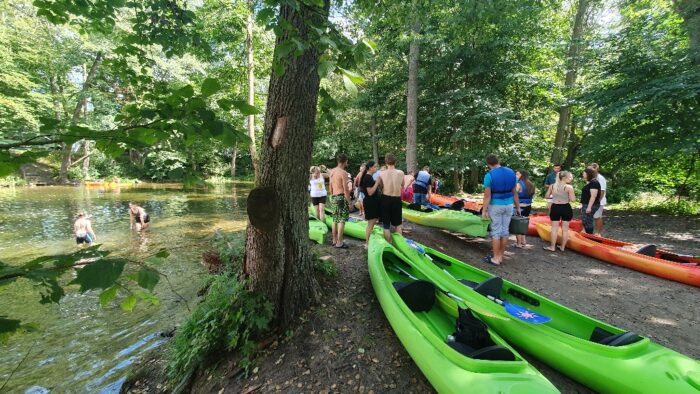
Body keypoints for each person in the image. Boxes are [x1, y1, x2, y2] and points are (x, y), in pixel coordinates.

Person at [481, 154, 520, 266]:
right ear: (498, 161)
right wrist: (518, 207)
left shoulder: (489, 175)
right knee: (505, 230)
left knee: (496, 231)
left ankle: (496, 258)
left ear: (488, 164)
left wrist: (484, 210)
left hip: (496, 206)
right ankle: (500, 256)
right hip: (509, 205)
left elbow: (487, 196)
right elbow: (514, 192)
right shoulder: (511, 172)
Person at [543, 171, 575, 252]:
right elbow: (573, 199)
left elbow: (546, 196)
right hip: (566, 208)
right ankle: (562, 247)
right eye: (570, 177)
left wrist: (554, 196)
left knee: (554, 229)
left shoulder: (552, 186)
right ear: (564, 178)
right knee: (565, 229)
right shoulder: (569, 187)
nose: (571, 179)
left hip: (555, 207)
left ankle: (552, 247)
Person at [378, 153, 405, 244]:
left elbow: (381, 186)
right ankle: (401, 245)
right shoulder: (401, 173)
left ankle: (389, 243)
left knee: (386, 225)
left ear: (386, 162)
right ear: (395, 162)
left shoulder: (381, 173)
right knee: (398, 225)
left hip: (385, 199)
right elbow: (403, 185)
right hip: (397, 199)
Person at [329, 154, 352, 248]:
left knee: (335, 219)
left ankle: (334, 240)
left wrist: (332, 195)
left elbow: (330, 187)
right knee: (341, 220)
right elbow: (346, 189)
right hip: (341, 198)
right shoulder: (343, 173)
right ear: (345, 161)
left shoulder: (332, 171)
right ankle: (340, 242)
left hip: (334, 197)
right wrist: (350, 203)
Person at [359, 161, 381, 248]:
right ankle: (367, 243)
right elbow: (370, 192)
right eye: (375, 167)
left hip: (372, 203)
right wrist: (377, 182)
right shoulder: (368, 177)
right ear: (370, 168)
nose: (376, 168)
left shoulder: (369, 177)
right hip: (370, 203)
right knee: (370, 224)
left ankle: (368, 242)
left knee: (372, 223)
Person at [514, 169, 536, 248]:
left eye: (517, 174)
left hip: (520, 207)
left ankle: (519, 243)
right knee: (523, 224)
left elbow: (514, 195)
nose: (516, 176)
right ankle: (523, 241)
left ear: (522, 175)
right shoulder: (531, 184)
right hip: (528, 206)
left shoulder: (518, 184)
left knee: (517, 225)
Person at [580, 167, 601, 234]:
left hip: (591, 204)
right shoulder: (590, 182)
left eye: (584, 173)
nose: (583, 174)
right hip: (586, 204)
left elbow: (593, 196)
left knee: (587, 220)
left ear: (588, 174)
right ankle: (587, 235)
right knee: (585, 220)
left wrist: (589, 207)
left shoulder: (594, 183)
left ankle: (589, 236)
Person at [589, 163, 607, 236]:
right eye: (590, 168)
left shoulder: (600, 178)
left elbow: (602, 191)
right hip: (591, 201)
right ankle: (588, 233)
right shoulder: (591, 178)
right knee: (589, 217)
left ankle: (598, 233)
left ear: (597, 169)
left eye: (593, 168)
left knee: (597, 217)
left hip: (599, 201)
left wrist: (597, 202)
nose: (591, 170)